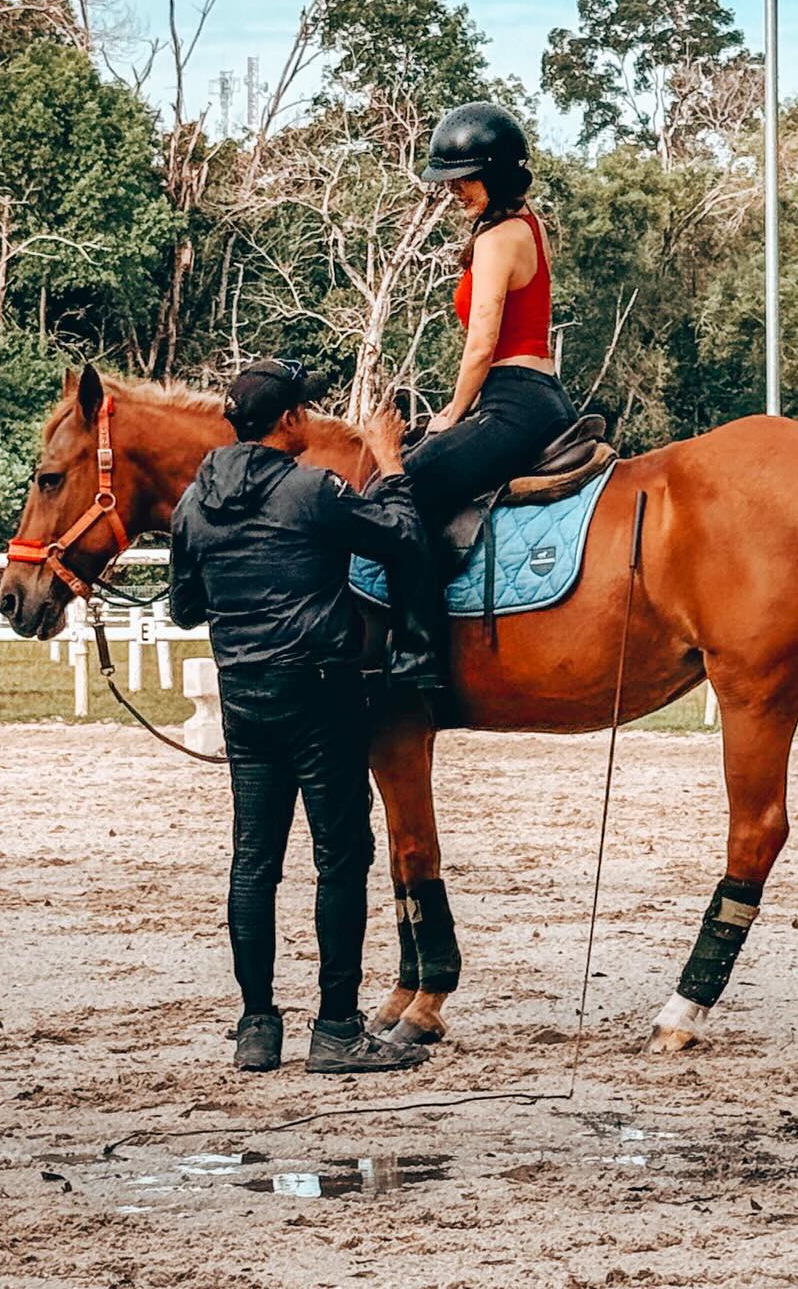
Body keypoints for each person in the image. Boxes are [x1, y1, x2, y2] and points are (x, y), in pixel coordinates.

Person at [169, 358, 430, 1076]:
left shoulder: (194, 503)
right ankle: (337, 1029)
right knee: (340, 857)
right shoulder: (312, 490)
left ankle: (257, 1028)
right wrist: (390, 464)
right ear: (287, 421)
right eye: (304, 411)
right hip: (320, 695)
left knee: (254, 863)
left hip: (244, 697)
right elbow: (401, 536)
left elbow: (185, 608)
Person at [409, 100, 577, 524]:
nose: (453, 189)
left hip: (514, 403)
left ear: (496, 175)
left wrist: (453, 413)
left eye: (464, 178)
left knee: (404, 484)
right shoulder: (531, 225)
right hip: (545, 396)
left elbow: (482, 345)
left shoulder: (496, 240)